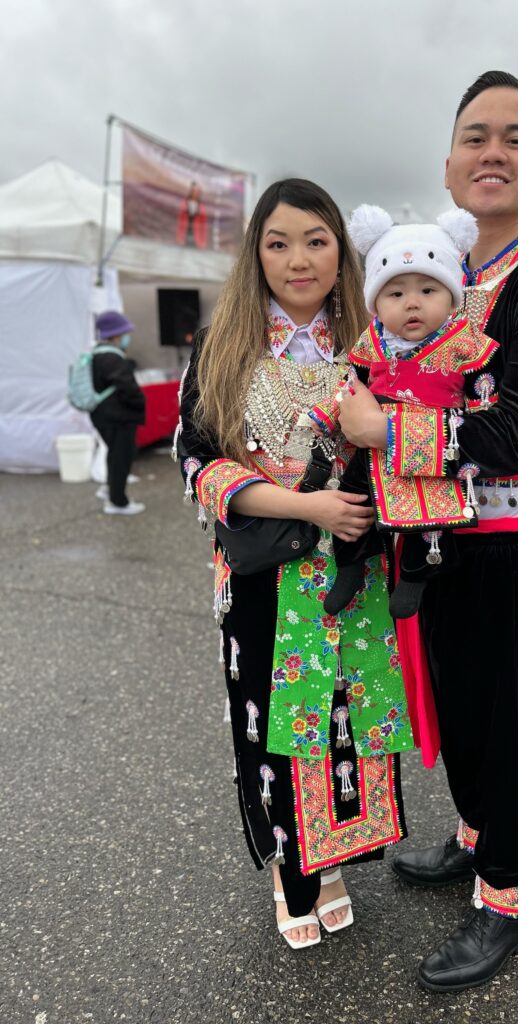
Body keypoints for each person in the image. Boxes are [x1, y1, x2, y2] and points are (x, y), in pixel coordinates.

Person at [337, 71, 518, 991]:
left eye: (516, 137)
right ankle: (474, 834)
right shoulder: (433, 271)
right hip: (433, 542)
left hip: (515, 544)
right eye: (476, 136)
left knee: (515, 719)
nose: (494, 152)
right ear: (450, 167)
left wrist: (386, 432)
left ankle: (509, 893)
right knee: (452, 707)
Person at [177, 179, 415, 950]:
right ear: (257, 255)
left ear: (339, 250)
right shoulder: (223, 348)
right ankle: (291, 869)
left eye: (316, 240)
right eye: (278, 242)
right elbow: (197, 463)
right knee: (277, 729)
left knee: (345, 721)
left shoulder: (375, 345)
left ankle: (335, 861)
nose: (298, 258)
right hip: (266, 577)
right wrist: (305, 507)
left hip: (356, 573)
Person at [307, 204, 502, 620]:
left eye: (427, 291)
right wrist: (326, 415)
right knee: (353, 502)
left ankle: (415, 575)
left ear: (452, 296)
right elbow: (349, 386)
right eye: (396, 294)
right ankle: (351, 564)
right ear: (376, 303)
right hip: (371, 448)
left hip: (431, 448)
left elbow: (485, 398)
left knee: (430, 520)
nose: (412, 304)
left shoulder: (465, 343)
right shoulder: (371, 343)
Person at [90, 310, 146, 515]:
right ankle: (118, 502)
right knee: (121, 456)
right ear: (115, 335)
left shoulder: (96, 354)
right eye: (123, 333)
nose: (126, 338)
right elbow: (129, 389)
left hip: (102, 416)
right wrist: (140, 403)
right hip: (118, 417)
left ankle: (110, 489)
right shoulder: (113, 358)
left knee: (113, 455)